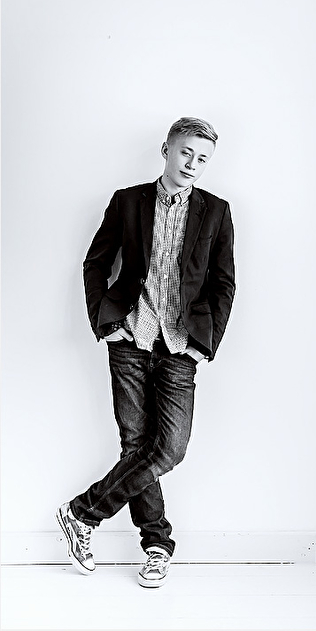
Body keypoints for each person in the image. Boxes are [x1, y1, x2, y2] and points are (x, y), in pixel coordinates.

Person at [56, 117, 235, 588]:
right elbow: (96, 262)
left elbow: (223, 284)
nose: (192, 164)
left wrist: (204, 345)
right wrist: (107, 324)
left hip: (181, 346)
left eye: (202, 158)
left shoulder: (216, 211)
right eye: (185, 153)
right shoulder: (127, 201)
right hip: (131, 338)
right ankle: (157, 547)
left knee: (170, 448)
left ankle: (82, 513)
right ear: (166, 150)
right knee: (136, 447)